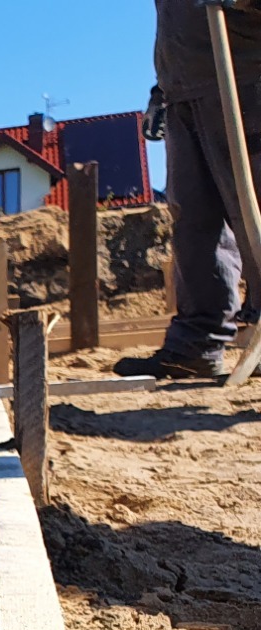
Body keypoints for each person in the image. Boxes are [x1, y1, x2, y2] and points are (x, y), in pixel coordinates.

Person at [119, 0, 261, 382]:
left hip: (247, 81)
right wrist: (160, 93)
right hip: (186, 93)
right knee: (194, 225)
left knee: (255, 213)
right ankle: (196, 346)